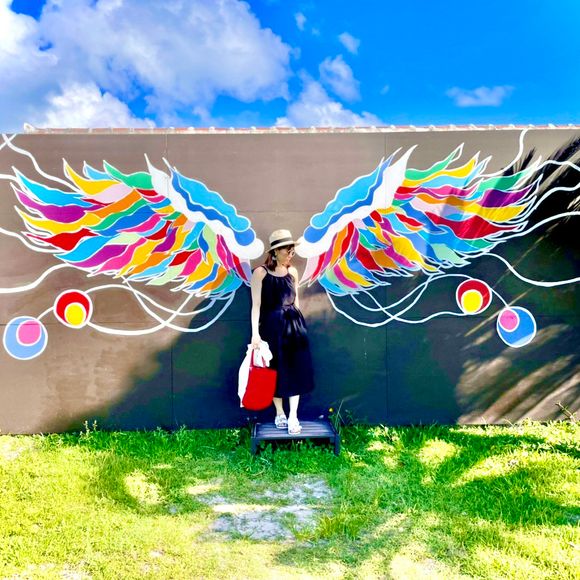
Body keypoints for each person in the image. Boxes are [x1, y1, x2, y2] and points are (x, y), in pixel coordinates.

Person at [250, 229, 314, 435]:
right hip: (271, 327)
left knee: (296, 369)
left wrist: (300, 327)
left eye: (292, 250)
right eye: (288, 250)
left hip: (294, 327)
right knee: (273, 370)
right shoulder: (260, 273)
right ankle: (280, 413)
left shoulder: (292, 272)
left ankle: (293, 416)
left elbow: (296, 301)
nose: (291, 254)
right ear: (275, 251)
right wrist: (255, 334)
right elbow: (256, 306)